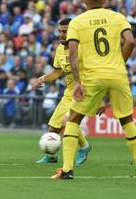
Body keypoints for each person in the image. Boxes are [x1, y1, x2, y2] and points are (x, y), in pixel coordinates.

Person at [51, 0, 136, 180]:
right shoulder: (118, 17)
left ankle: (66, 170)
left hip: (92, 76)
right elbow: (130, 42)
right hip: (118, 75)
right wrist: (118, 64)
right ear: (105, 0)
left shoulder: (78, 22)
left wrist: (78, 82)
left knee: (72, 119)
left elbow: (72, 53)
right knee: (127, 120)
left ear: (84, 1)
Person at [35, 18, 98, 165]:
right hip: (69, 93)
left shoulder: (83, 48)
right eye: (60, 31)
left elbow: (94, 71)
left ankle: (84, 147)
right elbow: (57, 72)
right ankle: (51, 156)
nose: (61, 34)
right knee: (53, 128)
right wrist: (43, 79)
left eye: (65, 31)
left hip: (83, 92)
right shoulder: (59, 49)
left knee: (67, 122)